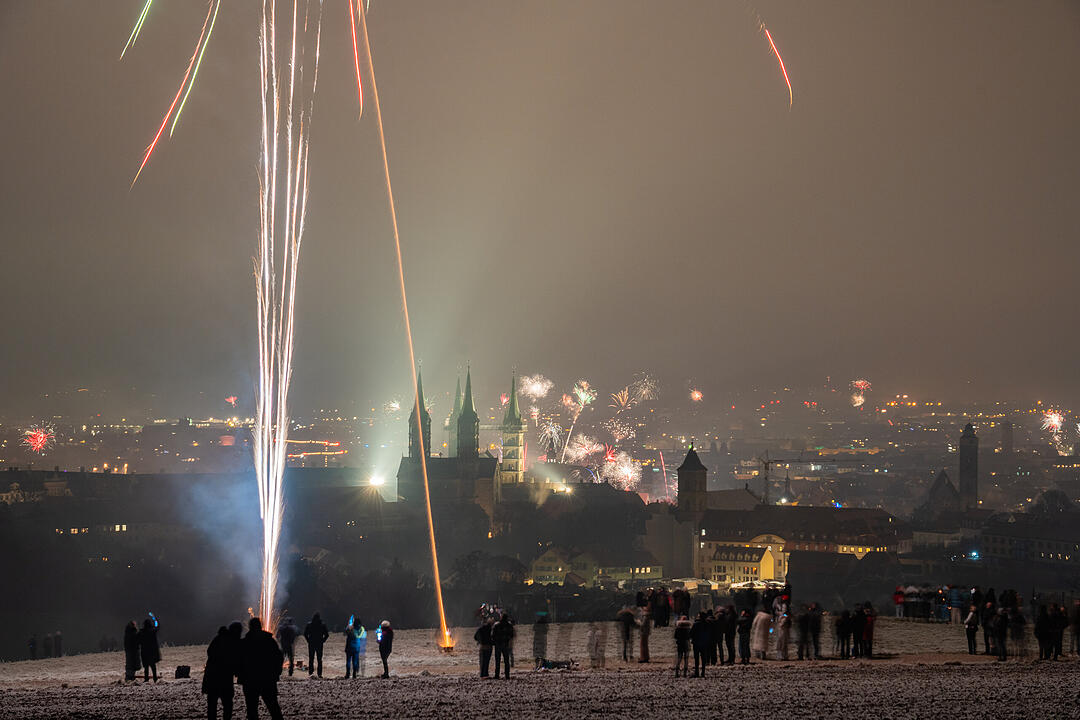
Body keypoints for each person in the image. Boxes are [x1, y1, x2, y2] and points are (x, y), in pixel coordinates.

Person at [240, 618, 284, 720]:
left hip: (250, 680)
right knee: (273, 707)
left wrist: (240, 674)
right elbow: (278, 657)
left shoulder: (245, 642)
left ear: (250, 627)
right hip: (267, 679)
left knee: (252, 710)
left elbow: (239, 660)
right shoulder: (269, 640)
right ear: (260, 626)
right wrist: (276, 672)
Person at [204, 624, 240, 720]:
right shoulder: (229, 642)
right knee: (227, 704)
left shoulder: (219, 639)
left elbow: (210, 652)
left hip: (212, 677)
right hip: (223, 678)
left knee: (212, 705)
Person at [303, 612, 329, 678]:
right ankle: (319, 674)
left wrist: (308, 640)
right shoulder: (322, 625)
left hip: (311, 643)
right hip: (319, 644)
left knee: (311, 659)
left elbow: (305, 634)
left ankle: (310, 673)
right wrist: (323, 641)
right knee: (319, 659)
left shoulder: (309, 624)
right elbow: (327, 635)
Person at [492, 613, 514, 679]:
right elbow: (511, 635)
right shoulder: (509, 625)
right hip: (505, 645)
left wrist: (495, 641)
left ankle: (497, 675)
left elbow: (493, 635)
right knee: (506, 661)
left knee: (497, 661)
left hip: (498, 645)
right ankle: (507, 675)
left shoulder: (496, 625)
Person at [139, 618, 161, 683]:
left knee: (146, 667)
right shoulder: (152, 631)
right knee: (153, 666)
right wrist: (155, 620)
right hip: (152, 652)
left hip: (144, 651)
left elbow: (139, 641)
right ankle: (155, 678)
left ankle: (146, 679)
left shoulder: (142, 632)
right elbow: (157, 627)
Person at [690, 612, 710, 677]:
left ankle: (697, 672)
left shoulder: (696, 624)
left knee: (696, 658)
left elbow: (691, 633)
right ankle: (703, 672)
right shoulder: (707, 624)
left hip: (696, 643)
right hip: (704, 643)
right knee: (703, 658)